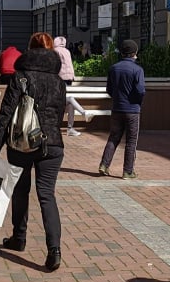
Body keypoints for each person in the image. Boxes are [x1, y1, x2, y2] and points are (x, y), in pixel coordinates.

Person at [0, 32, 67, 271]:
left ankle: (19, 238)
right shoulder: (58, 80)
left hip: (21, 144)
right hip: (52, 144)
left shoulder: (20, 77)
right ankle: (54, 250)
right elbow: (58, 114)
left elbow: (6, 114)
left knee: (21, 191)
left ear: (29, 50)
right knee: (46, 195)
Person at [98, 40, 146, 179]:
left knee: (113, 137)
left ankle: (104, 165)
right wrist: (137, 102)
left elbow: (109, 89)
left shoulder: (114, 68)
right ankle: (128, 171)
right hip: (132, 110)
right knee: (131, 141)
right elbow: (140, 90)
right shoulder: (138, 70)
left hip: (117, 108)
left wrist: (117, 98)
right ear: (134, 53)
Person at [54, 36, 87, 136]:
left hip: (59, 78)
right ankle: (82, 115)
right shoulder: (66, 51)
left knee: (67, 101)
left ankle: (70, 127)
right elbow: (69, 65)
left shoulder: (55, 51)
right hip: (67, 78)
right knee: (68, 100)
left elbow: (56, 65)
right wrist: (72, 76)